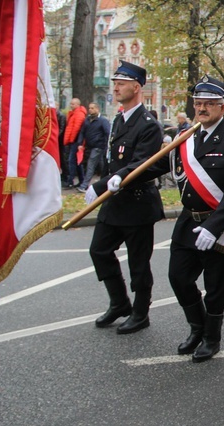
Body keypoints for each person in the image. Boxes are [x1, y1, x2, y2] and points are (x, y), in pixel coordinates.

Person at [160, 76, 224, 362]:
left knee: (215, 288)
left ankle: (212, 338)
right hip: (188, 221)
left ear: (222, 107)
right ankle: (197, 327)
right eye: (198, 103)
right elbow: (158, 164)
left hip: (219, 226)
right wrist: (115, 180)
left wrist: (213, 227)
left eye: (209, 104)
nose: (201, 108)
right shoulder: (186, 138)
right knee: (178, 277)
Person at [85, 61, 166, 335]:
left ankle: (141, 313)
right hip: (114, 201)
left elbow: (143, 164)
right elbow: (112, 161)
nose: (116, 87)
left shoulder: (149, 125)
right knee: (99, 250)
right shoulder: (119, 119)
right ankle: (119, 302)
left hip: (137, 204)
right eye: (114, 83)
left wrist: (103, 185)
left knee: (138, 263)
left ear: (136, 86)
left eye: (121, 83)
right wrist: (101, 183)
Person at [77, 102, 110, 192]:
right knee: (101, 165)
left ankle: (84, 185)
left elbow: (107, 133)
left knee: (91, 164)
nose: (90, 110)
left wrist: (107, 145)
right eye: (89, 108)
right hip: (89, 146)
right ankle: (105, 181)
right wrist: (80, 143)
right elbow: (82, 132)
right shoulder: (87, 120)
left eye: (92, 108)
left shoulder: (103, 121)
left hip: (98, 146)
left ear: (97, 109)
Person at [64, 98, 87, 188]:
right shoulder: (74, 114)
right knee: (77, 162)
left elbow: (76, 129)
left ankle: (70, 181)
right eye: (71, 103)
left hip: (76, 141)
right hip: (75, 141)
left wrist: (71, 140)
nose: (71, 105)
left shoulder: (79, 114)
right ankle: (81, 180)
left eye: (73, 104)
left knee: (72, 161)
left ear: (77, 104)